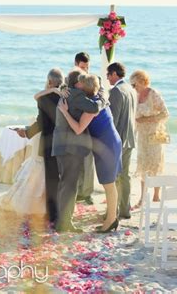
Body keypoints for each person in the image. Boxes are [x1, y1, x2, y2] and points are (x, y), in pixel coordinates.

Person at [57, 74, 121, 233]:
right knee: (110, 183)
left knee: (108, 184)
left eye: (80, 83)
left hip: (107, 145)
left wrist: (64, 112)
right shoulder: (99, 98)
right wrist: (64, 87)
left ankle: (111, 220)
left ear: (83, 88)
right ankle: (111, 218)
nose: (77, 84)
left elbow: (78, 129)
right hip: (110, 142)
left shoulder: (91, 108)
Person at [51, 70, 107, 233]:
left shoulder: (67, 93)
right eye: (82, 80)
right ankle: (64, 223)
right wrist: (103, 94)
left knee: (65, 184)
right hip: (70, 147)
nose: (84, 82)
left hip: (62, 145)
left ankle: (61, 220)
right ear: (77, 83)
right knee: (70, 185)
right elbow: (95, 107)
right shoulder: (75, 94)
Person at [15, 68, 65, 223]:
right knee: (64, 178)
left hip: (49, 144)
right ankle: (64, 210)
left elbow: (41, 123)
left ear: (50, 82)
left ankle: (53, 215)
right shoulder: (66, 97)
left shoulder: (44, 99)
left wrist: (27, 132)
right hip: (66, 142)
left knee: (51, 180)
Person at [130, 70, 169, 208]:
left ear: (142, 81)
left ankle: (156, 196)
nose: (133, 87)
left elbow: (165, 113)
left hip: (155, 134)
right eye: (132, 85)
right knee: (143, 166)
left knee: (155, 165)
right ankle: (142, 198)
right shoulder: (135, 95)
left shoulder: (154, 94)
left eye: (134, 84)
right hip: (142, 136)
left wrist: (148, 119)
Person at [107, 62, 137, 220]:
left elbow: (113, 120)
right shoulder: (131, 89)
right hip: (130, 137)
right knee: (125, 176)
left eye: (108, 75)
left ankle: (113, 212)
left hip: (119, 140)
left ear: (114, 74)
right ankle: (124, 210)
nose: (107, 78)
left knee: (114, 177)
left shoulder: (116, 91)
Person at [73, 52, 95, 205]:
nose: (85, 71)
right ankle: (76, 192)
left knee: (88, 161)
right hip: (73, 126)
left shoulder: (92, 79)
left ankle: (86, 193)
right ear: (76, 64)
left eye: (87, 68)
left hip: (88, 125)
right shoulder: (71, 80)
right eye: (82, 67)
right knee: (75, 162)